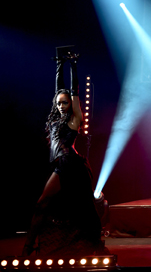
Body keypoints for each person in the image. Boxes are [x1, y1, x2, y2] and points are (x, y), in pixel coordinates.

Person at [22, 54, 104, 257]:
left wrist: (73, 65)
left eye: (65, 103)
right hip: (63, 164)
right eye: (59, 103)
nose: (61, 106)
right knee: (61, 205)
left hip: (70, 165)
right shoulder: (55, 120)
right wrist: (59, 64)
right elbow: (59, 91)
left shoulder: (74, 120)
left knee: (53, 203)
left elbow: (73, 93)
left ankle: (28, 248)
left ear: (71, 105)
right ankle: (29, 247)